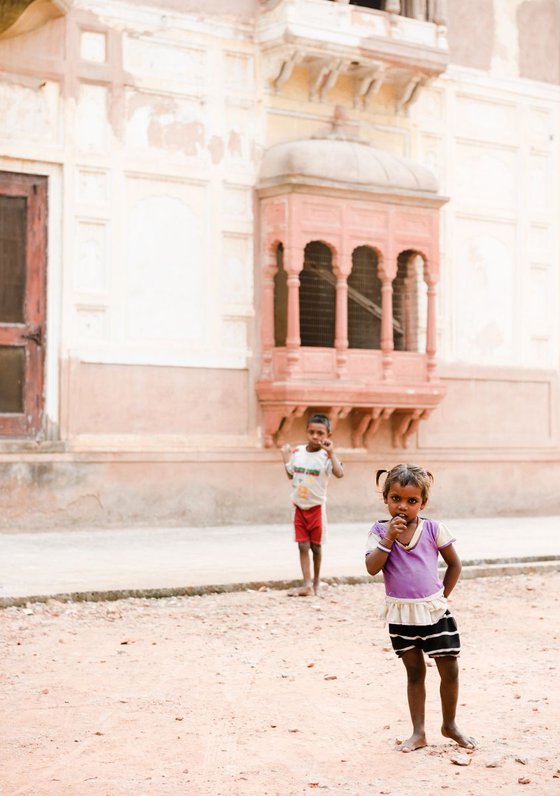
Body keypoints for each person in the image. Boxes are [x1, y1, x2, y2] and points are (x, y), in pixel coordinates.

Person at [365, 463, 476, 753]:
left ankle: (449, 725)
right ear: (386, 498)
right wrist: (388, 538)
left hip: (434, 612)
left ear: (423, 503)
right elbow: (371, 568)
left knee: (449, 669)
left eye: (412, 501)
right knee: (414, 674)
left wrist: (442, 598)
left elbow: (455, 564)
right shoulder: (378, 531)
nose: (403, 507)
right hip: (401, 614)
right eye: (396, 499)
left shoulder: (433, 529)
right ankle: (418, 732)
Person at [281, 413, 344, 597]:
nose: (315, 436)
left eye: (320, 433)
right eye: (311, 432)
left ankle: (316, 582)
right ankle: (306, 584)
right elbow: (290, 474)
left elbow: (339, 473)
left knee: (316, 547)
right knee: (302, 546)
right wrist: (284, 458)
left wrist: (332, 453)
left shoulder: (326, 456)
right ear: (306, 432)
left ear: (328, 435)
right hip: (299, 507)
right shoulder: (298, 452)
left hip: (316, 508)